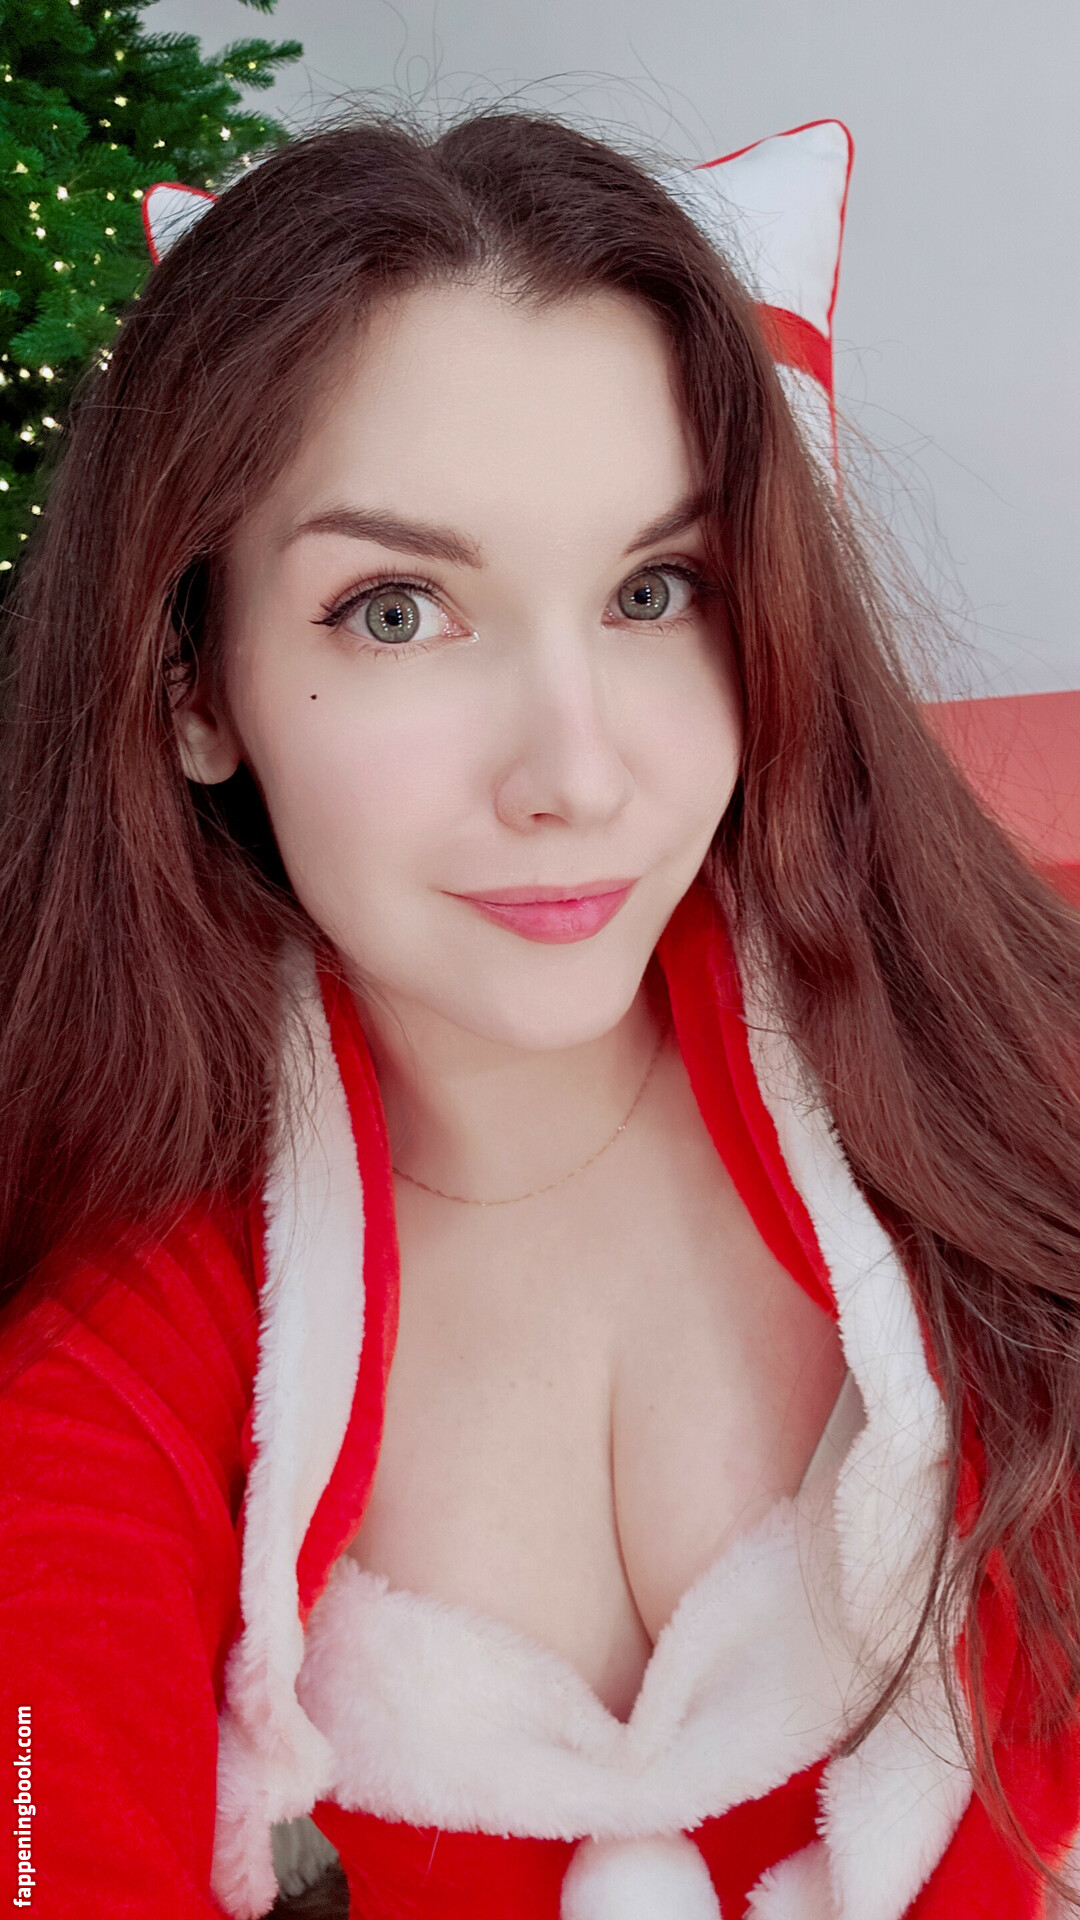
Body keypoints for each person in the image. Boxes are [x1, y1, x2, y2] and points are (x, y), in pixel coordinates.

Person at [1, 107, 1079, 1920]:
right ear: (194, 684)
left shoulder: (990, 1060)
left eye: (655, 591)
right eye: (396, 611)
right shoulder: (128, 1348)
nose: (575, 774)